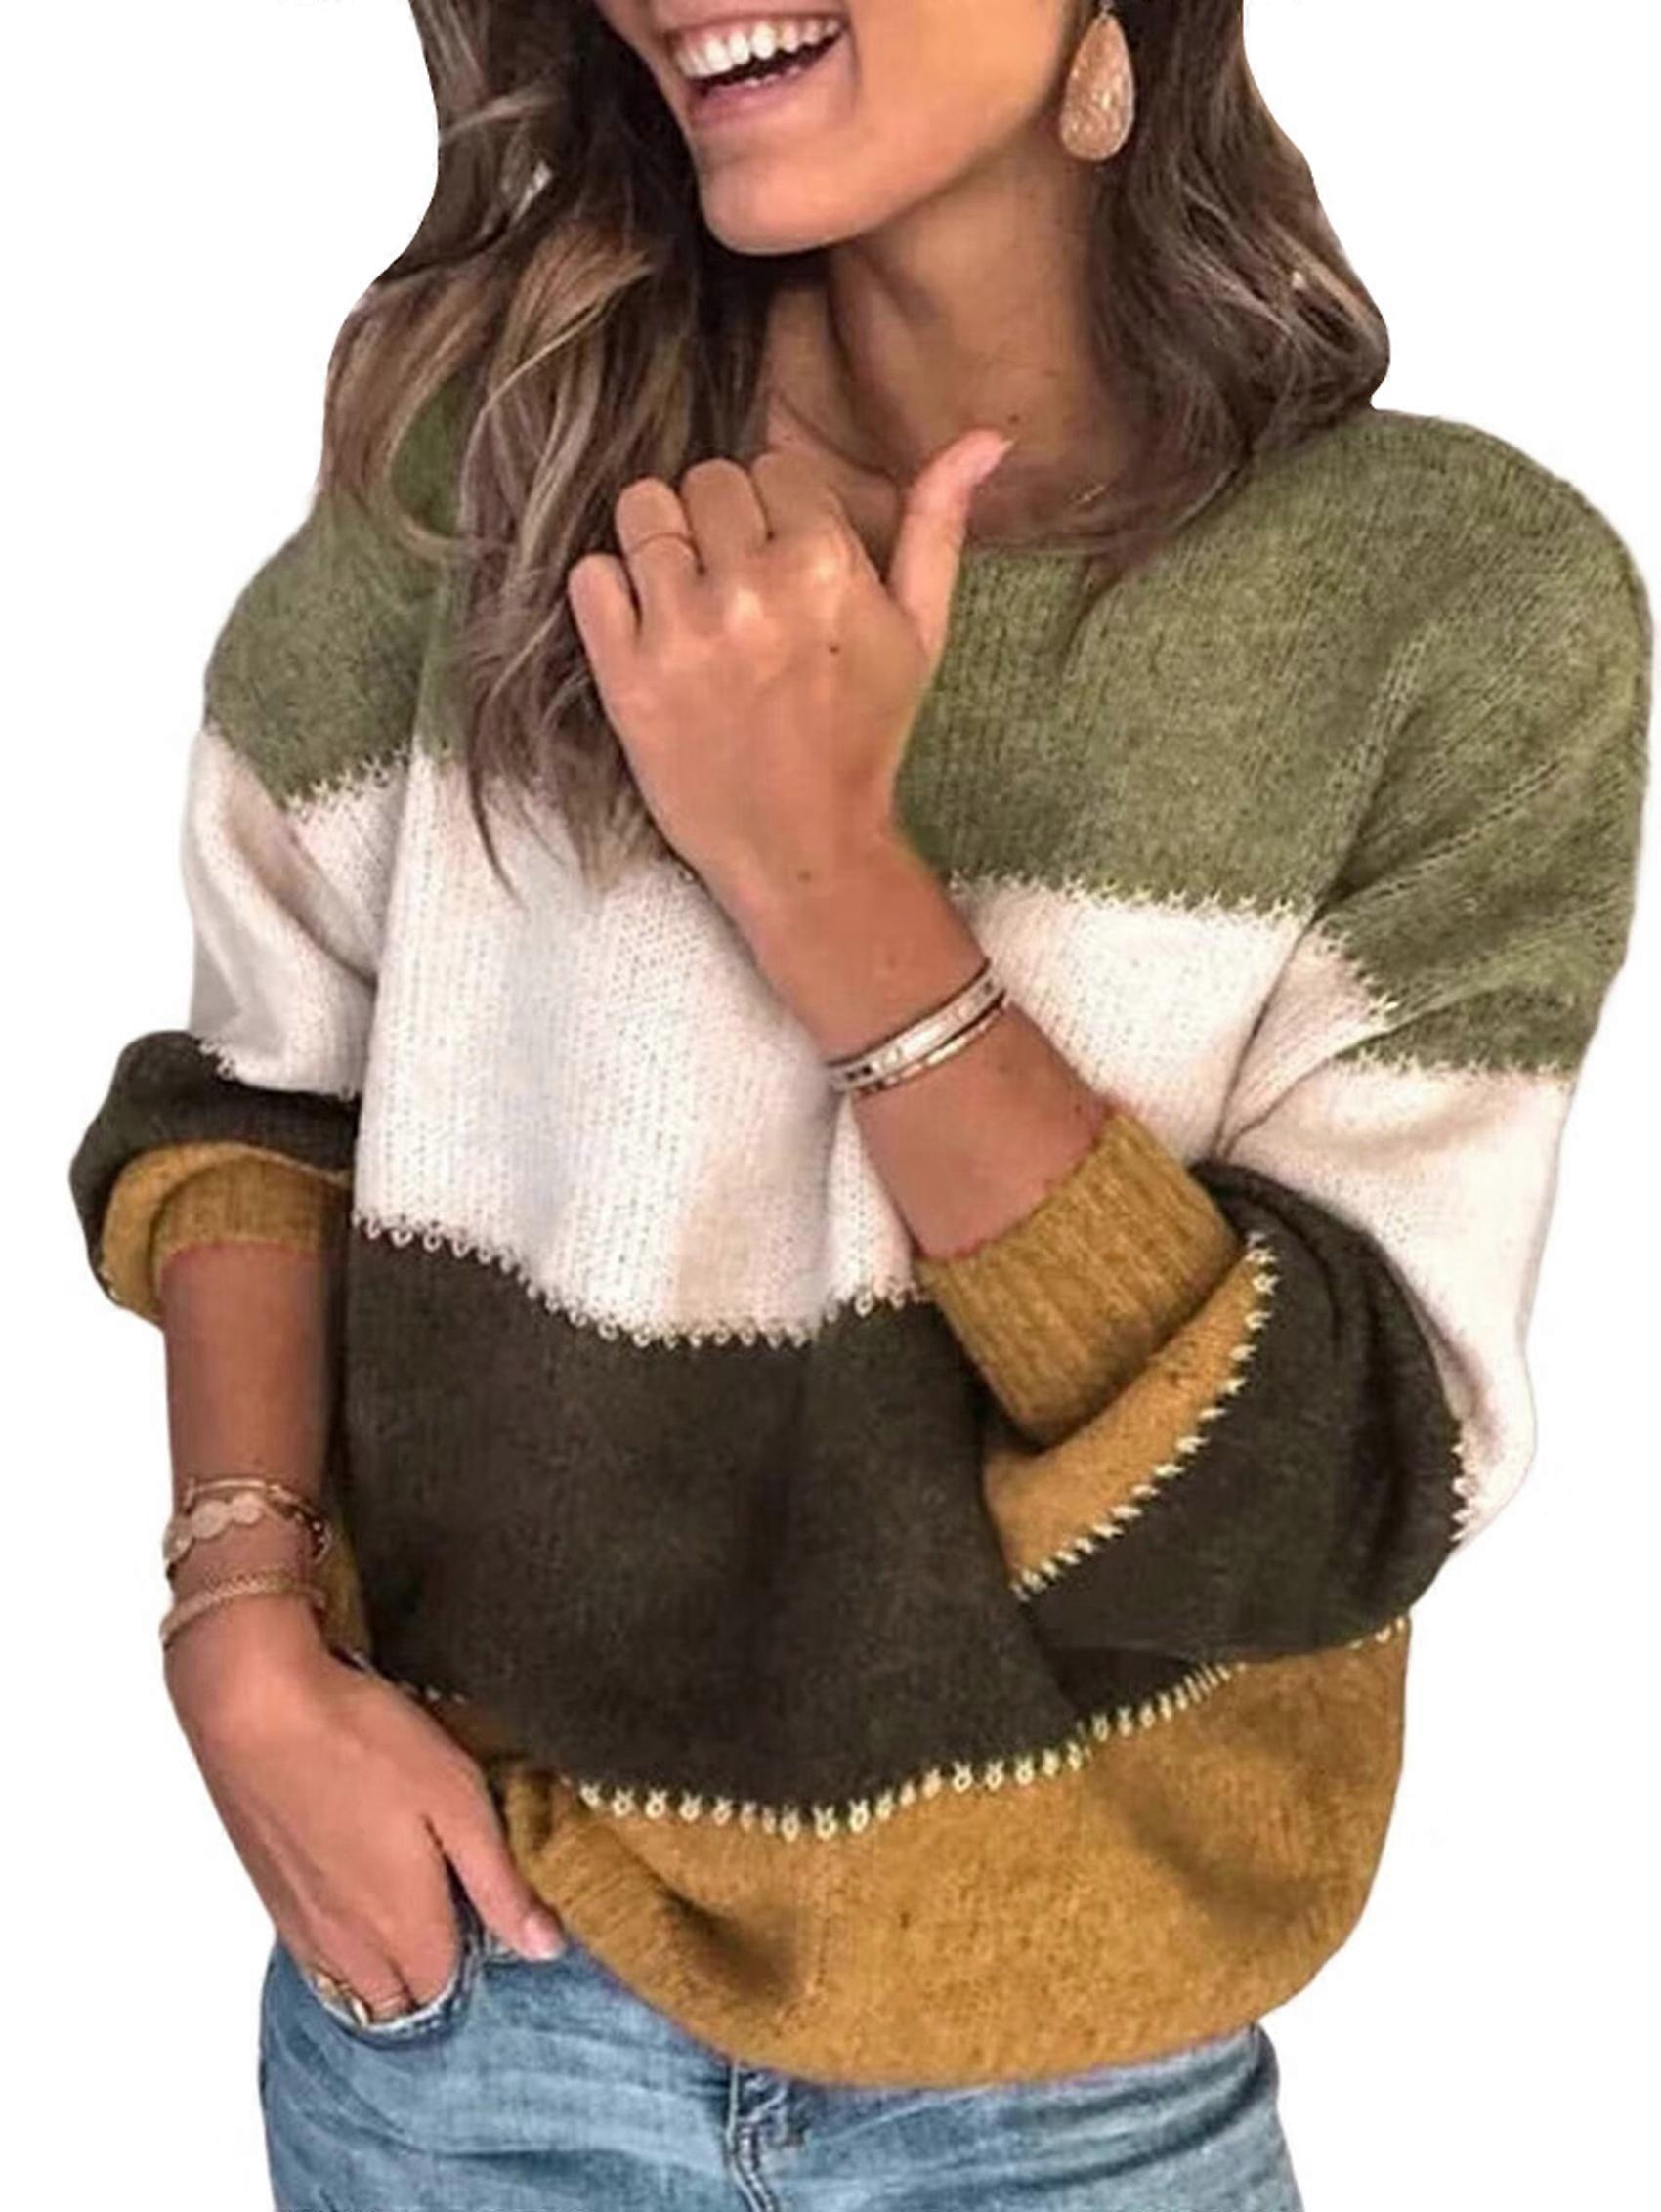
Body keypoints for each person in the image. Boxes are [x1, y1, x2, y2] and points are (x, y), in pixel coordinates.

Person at [67, 3, 1651, 2208]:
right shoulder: (489, 477)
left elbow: (1314, 1495)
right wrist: (234, 1624)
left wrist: (826, 877)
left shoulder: (1453, 613)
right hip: (469, 2026)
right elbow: (257, 1105)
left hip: (1079, 2101)